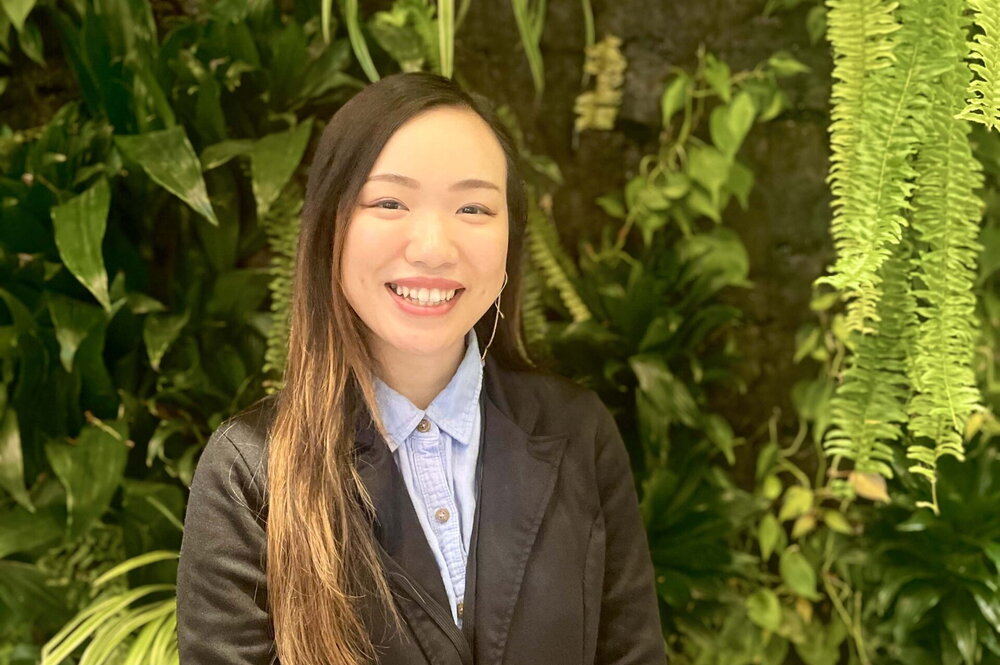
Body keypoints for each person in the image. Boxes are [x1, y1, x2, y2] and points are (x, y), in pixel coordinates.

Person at [176, 71, 666, 665]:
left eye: (474, 206)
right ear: (331, 223)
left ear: (512, 236)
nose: (433, 246)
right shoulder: (252, 471)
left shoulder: (577, 432)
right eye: (389, 202)